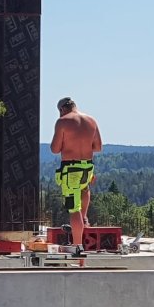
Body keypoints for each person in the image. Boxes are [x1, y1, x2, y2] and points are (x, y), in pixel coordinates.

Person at [50, 97, 102, 251]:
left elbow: (55, 148)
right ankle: (84, 219)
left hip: (71, 168)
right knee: (85, 190)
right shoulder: (91, 120)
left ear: (61, 109)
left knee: (73, 208)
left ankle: (77, 246)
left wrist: (69, 143)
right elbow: (98, 147)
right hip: (87, 167)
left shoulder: (63, 122)